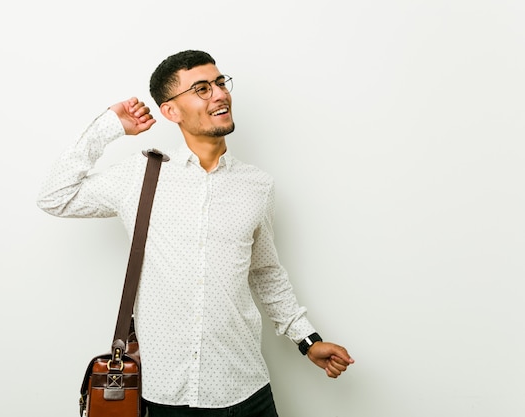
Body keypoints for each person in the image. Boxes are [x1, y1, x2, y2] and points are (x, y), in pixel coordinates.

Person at [37, 50, 354, 416]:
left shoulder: (257, 186)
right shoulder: (140, 175)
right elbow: (54, 196)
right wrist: (109, 126)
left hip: (246, 389)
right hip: (167, 395)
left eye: (220, 83)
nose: (219, 94)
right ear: (171, 111)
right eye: (202, 89)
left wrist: (307, 340)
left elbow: (266, 274)